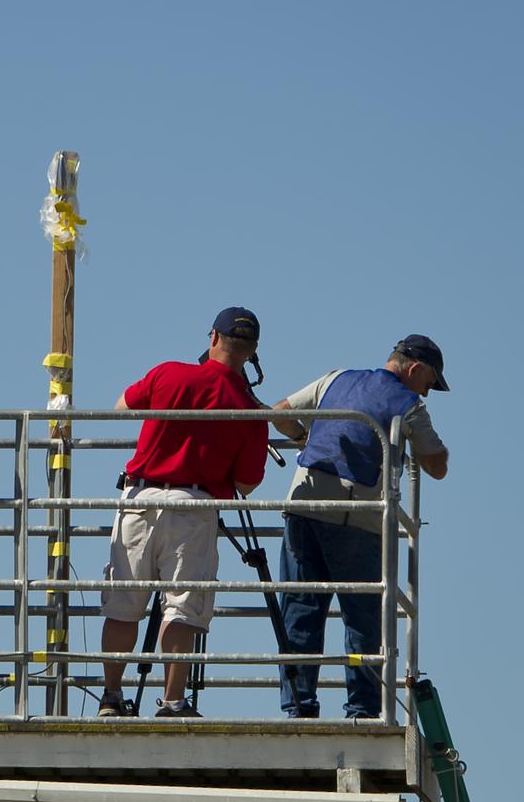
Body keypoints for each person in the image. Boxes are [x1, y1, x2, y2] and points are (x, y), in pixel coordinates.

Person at [99, 307, 270, 718]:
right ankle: (173, 702)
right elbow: (246, 485)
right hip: (194, 507)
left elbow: (121, 406)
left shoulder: (169, 373)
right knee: (182, 608)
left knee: (124, 604)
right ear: (252, 353)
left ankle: (111, 698)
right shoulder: (250, 410)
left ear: (213, 337)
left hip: (138, 499)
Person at [270, 334, 450, 719]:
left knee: (300, 611)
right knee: (364, 619)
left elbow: (279, 412)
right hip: (357, 521)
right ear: (415, 369)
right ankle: (364, 711)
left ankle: (298, 707)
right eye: (430, 382)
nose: (428, 392)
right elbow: (437, 466)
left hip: (303, 507)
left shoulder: (335, 379)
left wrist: (304, 437)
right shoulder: (408, 405)